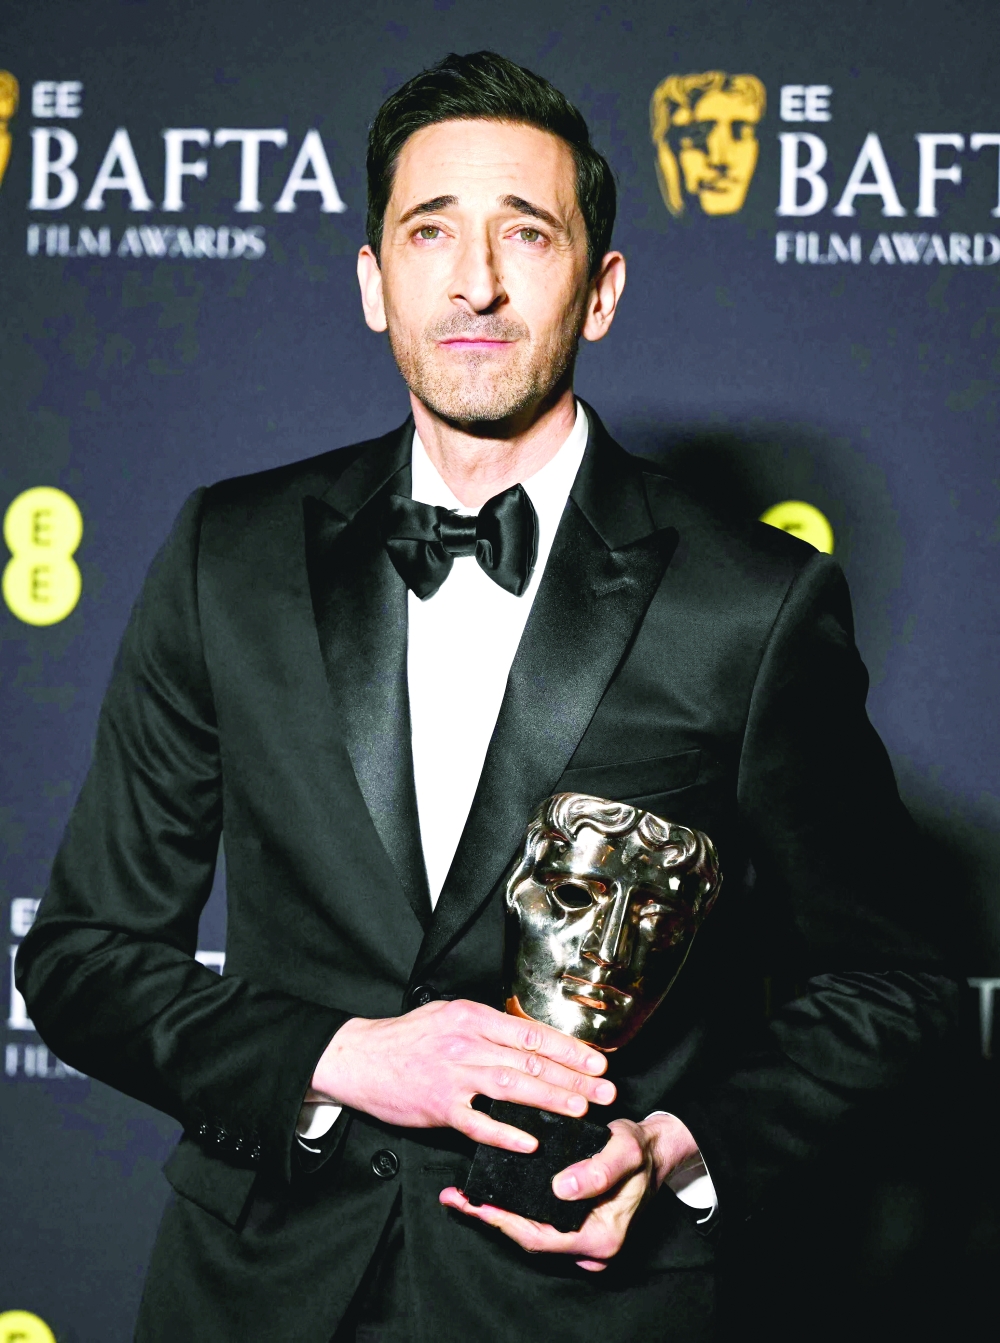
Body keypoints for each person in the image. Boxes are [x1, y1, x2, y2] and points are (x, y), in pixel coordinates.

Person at [17, 50, 957, 1343]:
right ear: (371, 281)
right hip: (254, 1293)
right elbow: (84, 960)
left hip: (584, 1302)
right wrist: (346, 1055)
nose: (476, 280)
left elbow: (891, 989)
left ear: (603, 289)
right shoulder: (225, 554)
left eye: (527, 232)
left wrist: (685, 1146)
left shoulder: (753, 600)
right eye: (429, 233)